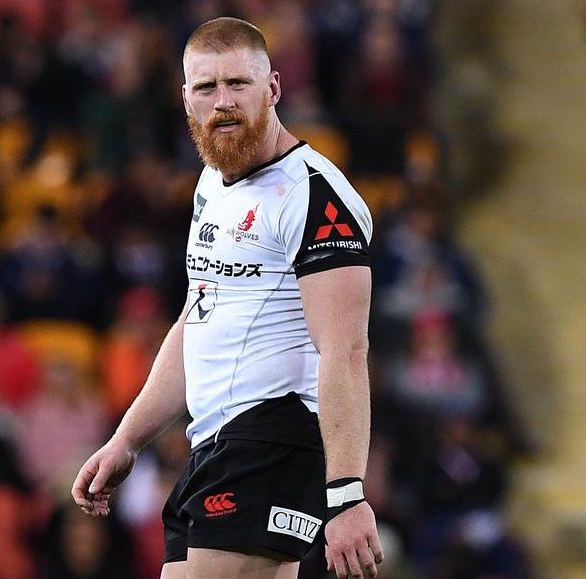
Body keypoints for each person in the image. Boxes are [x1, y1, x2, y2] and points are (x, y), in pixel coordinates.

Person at [72, 17, 383, 579]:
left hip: (274, 436)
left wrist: (346, 494)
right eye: (206, 87)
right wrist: (127, 440)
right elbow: (197, 319)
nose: (223, 102)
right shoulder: (212, 182)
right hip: (213, 443)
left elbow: (346, 351)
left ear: (274, 87)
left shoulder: (314, 198)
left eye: (238, 83)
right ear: (185, 98)